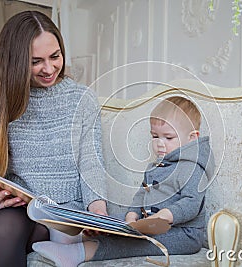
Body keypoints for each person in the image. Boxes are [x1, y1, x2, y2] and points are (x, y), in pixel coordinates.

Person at [0, 11, 107, 267]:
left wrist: (97, 209)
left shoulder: (81, 99)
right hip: (14, 209)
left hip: (61, 214)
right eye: (36, 61)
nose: (49, 68)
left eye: (55, 56)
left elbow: (91, 161)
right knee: (7, 226)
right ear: (15, 62)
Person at [32, 96, 216, 266]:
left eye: (168, 137)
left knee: (138, 243)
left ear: (192, 138)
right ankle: (78, 237)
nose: (159, 143)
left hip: (184, 234)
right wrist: (131, 215)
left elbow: (192, 203)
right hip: (150, 221)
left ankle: (78, 253)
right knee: (115, 222)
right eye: (155, 136)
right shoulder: (156, 166)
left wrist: (166, 215)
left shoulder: (193, 167)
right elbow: (142, 195)